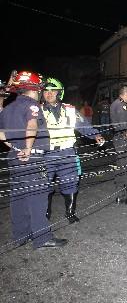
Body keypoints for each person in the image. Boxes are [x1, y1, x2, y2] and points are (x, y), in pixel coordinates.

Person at [0, 71, 67, 248]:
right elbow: (32, 125)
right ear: (34, 88)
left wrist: (15, 148)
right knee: (38, 197)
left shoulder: (8, 108)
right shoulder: (32, 105)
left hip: (14, 158)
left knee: (18, 197)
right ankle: (42, 238)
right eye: (40, 87)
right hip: (31, 158)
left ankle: (20, 236)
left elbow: (1, 134)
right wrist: (28, 149)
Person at [42, 77, 105, 223]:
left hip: (67, 153)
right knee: (44, 185)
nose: (49, 93)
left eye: (53, 91)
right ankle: (45, 214)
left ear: (59, 93)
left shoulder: (70, 110)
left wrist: (96, 134)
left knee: (71, 182)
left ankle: (70, 212)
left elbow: (84, 125)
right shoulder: (37, 111)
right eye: (46, 91)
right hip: (46, 154)